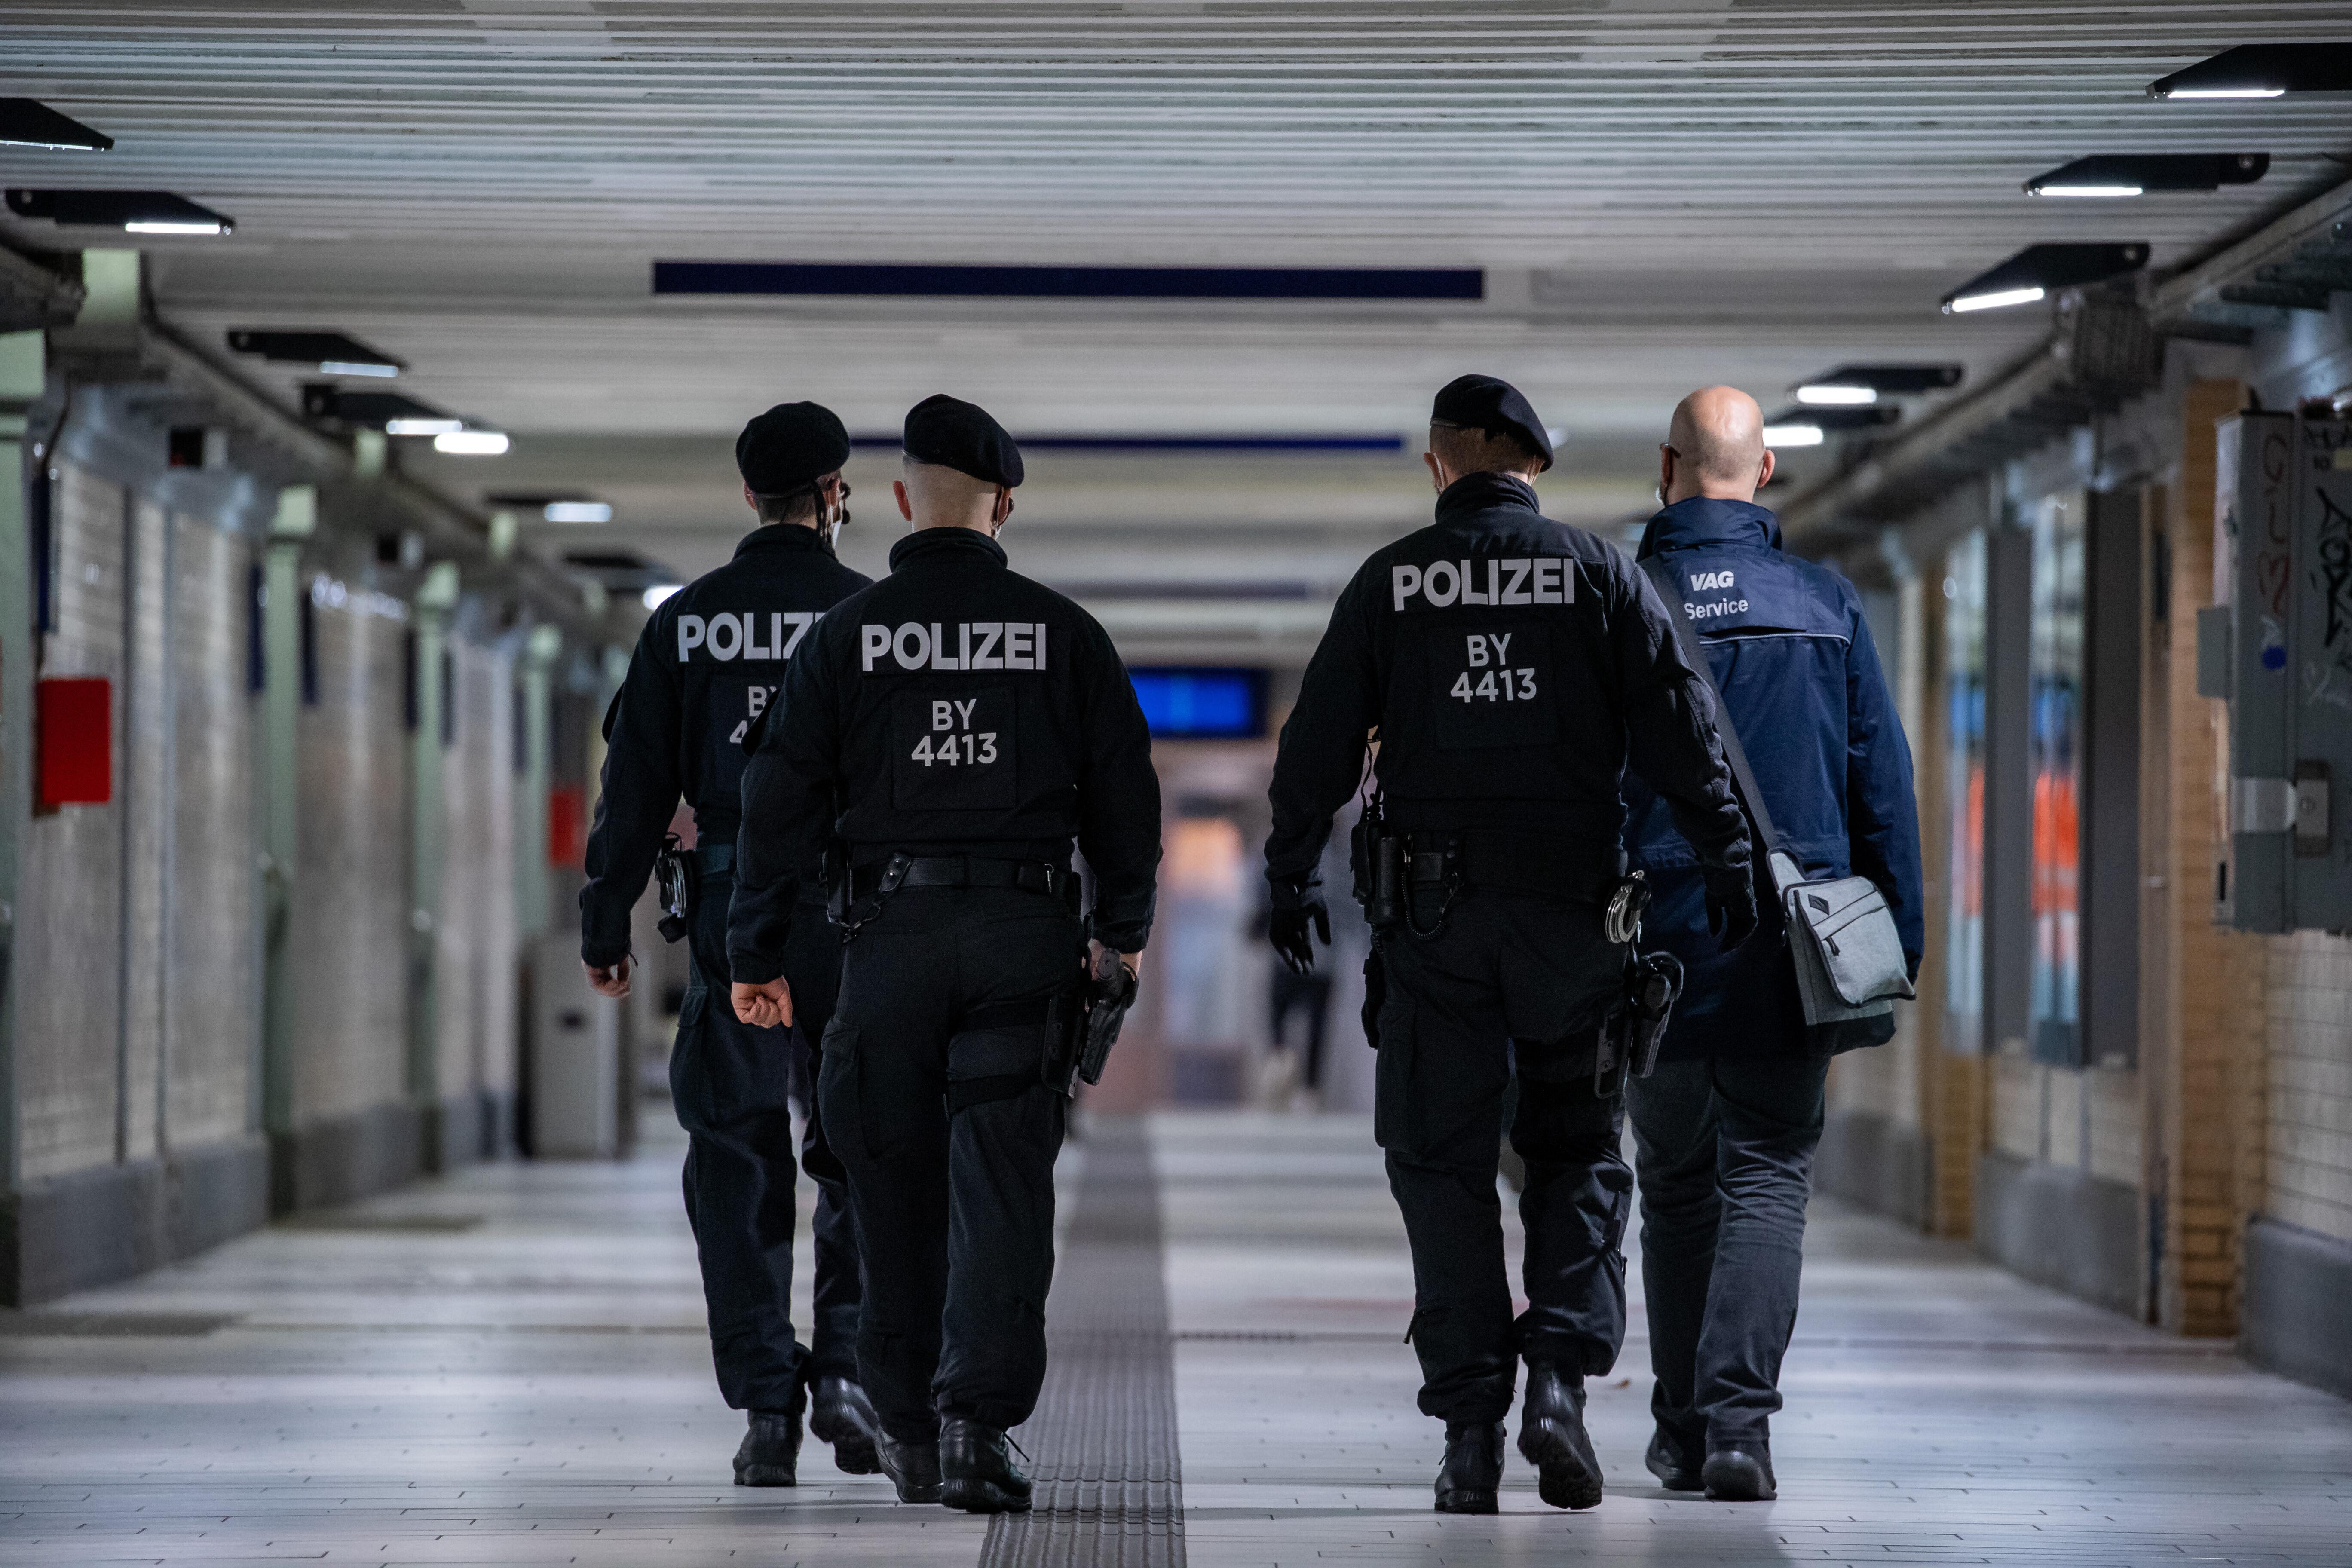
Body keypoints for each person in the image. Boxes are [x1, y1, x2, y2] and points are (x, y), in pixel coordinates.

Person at [1263, 374, 1754, 1516]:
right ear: (1535, 466)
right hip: (1576, 923)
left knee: (1439, 1164)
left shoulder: (1394, 582)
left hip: (1433, 928)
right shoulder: (1599, 573)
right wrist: (1727, 857)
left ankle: (1471, 1434)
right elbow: (1684, 729)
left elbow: (1320, 740)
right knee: (1578, 1151)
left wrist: (1289, 873)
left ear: (1441, 466)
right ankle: (1560, 1387)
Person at [728, 394, 1162, 1515]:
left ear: (902, 500)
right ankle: (976, 1430)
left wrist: (757, 951)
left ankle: (911, 1429)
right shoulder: (1065, 636)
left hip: (887, 945)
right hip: (1024, 939)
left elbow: (778, 803)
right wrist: (1119, 935)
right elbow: (1124, 796)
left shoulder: (844, 639)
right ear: (1004, 507)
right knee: (1002, 1190)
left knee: (891, 1188)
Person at [1622, 386, 1923, 1503]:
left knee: (1677, 1187)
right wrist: (1902, 937)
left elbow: (1586, 792)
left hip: (1651, 948)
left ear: (1667, 469)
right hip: (1789, 957)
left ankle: (1682, 1427)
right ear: (1768, 476)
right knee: (1766, 1179)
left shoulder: (1624, 603)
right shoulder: (1825, 605)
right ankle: (1739, 1427)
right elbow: (1879, 789)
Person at [578, 401, 879, 1485]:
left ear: (748, 497)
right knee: (858, 1148)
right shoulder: (870, 615)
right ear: (834, 496)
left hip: (727, 914)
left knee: (736, 1156)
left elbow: (634, 790)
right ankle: (847, 1371)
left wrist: (604, 923)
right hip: (854, 917)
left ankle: (765, 1406)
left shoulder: (687, 623)